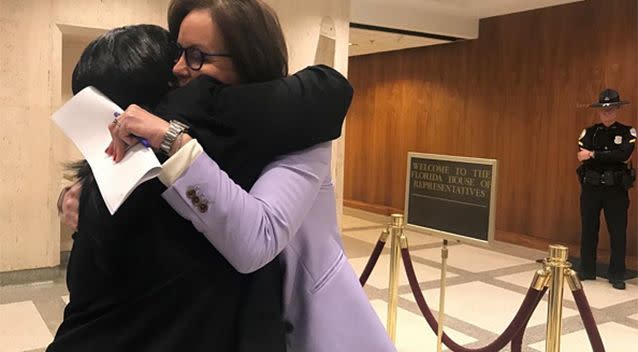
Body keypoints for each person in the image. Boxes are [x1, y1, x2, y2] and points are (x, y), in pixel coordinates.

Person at [50, 7, 353, 352]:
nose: (179, 68)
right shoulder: (146, 151)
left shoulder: (274, 132)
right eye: (178, 53)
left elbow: (256, 239)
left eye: (195, 56)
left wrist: (172, 136)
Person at [577, 88, 636, 290]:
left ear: (617, 109)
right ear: (599, 111)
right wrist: (607, 155)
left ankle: (617, 274)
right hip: (591, 187)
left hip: (616, 189)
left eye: (611, 109)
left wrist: (593, 155)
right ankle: (586, 269)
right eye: (604, 109)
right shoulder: (590, 132)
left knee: (618, 232)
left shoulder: (627, 132)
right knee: (588, 229)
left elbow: (623, 156)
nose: (607, 113)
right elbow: (580, 155)